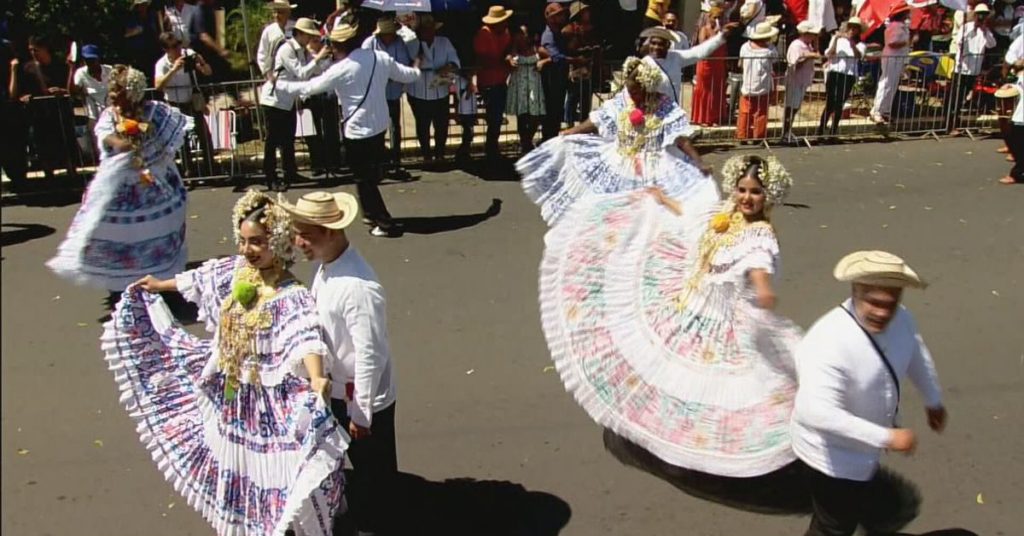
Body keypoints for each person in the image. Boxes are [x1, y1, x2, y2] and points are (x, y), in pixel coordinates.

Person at [534, 153, 801, 476]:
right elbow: (691, 217)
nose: (747, 197)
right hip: (690, 298)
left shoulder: (759, 234)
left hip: (717, 315)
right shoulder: (725, 214)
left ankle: (694, 445)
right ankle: (659, 429)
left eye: (755, 192)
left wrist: (763, 289)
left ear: (767, 197)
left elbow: (758, 263)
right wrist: (663, 201)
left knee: (708, 383)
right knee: (660, 362)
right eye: (742, 190)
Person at [121, 189, 348, 536]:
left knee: (271, 472)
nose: (247, 251)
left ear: (278, 240)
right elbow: (199, 278)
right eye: (243, 241)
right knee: (237, 470)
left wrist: (317, 377)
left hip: (265, 404)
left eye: (256, 242)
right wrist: (160, 285)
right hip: (230, 394)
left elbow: (305, 337)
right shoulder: (236, 271)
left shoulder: (291, 295)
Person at [792, 250, 946, 536]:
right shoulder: (828, 340)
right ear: (855, 292)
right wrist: (887, 436)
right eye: (874, 303)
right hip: (832, 459)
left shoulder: (902, 320)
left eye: (890, 303)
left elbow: (916, 354)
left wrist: (933, 400)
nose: (883, 313)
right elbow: (816, 413)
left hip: (863, 451)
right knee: (834, 525)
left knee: (859, 511)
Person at [283, 191, 399, 536]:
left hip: (359, 398)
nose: (298, 242)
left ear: (331, 231)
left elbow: (369, 355)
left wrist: (360, 414)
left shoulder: (357, 287)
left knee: (373, 473)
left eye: (306, 234)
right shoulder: (327, 268)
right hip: (338, 390)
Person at [517, 56, 716, 225]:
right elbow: (598, 120)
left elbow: (681, 139)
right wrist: (572, 131)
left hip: (653, 166)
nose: (632, 96)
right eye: (629, 91)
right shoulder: (622, 101)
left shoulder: (664, 105)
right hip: (621, 162)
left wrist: (698, 161)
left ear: (647, 88)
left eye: (636, 92)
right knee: (616, 214)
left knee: (653, 216)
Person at [47, 66, 190, 292]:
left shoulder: (152, 110)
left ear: (132, 93)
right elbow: (105, 136)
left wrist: (142, 130)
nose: (112, 94)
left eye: (118, 90)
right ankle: (122, 281)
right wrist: (118, 141)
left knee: (153, 230)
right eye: (112, 90)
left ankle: (157, 278)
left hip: (153, 181)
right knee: (113, 229)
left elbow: (166, 137)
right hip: (121, 183)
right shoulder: (109, 115)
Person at [277, 23, 421, 238]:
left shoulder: (342, 68)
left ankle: (384, 221)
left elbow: (310, 87)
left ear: (338, 44)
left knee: (364, 178)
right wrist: (417, 67)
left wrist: (280, 85)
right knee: (367, 175)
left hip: (358, 130)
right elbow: (408, 75)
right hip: (379, 125)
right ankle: (371, 213)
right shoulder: (380, 58)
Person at [259, 17, 327, 192]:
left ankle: (290, 172)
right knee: (272, 141)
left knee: (288, 139)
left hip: (287, 100)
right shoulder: (287, 49)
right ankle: (271, 177)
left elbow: (314, 71)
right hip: (274, 100)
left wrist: (318, 59)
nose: (310, 40)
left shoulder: (302, 51)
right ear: (300, 34)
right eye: (308, 36)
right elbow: (301, 73)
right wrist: (318, 58)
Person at [11, 35, 79, 183]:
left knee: (66, 144)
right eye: (31, 50)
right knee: (43, 146)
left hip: (59, 112)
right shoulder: (28, 68)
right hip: (40, 114)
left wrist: (61, 91)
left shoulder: (59, 65)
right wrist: (26, 96)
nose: (33, 53)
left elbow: (70, 90)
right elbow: (20, 92)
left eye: (36, 50)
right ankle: (49, 178)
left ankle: (72, 175)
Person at [154, 32, 213, 177]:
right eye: (173, 46)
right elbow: (158, 86)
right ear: (166, 49)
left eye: (178, 44)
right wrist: (173, 70)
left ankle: (211, 169)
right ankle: (189, 172)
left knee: (204, 135)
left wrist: (202, 62)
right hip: (175, 104)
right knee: (182, 140)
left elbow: (208, 72)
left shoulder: (188, 54)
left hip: (192, 102)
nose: (178, 49)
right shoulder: (162, 64)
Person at [363, 17, 414, 179]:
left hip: (393, 93)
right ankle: (379, 161)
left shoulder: (399, 43)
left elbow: (404, 64)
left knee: (394, 127)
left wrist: (392, 75)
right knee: (377, 129)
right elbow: (364, 67)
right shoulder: (369, 43)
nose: (390, 37)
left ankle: (395, 160)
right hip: (375, 94)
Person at [642, 23, 738, 105]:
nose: (656, 47)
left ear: (668, 45)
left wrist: (721, 36)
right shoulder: (643, 64)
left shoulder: (676, 57)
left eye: (660, 44)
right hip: (652, 115)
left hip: (673, 112)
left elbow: (699, 52)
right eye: (653, 43)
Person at [407, 14, 459, 164]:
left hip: (440, 89)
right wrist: (416, 61)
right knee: (422, 125)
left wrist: (448, 67)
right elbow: (405, 65)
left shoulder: (444, 42)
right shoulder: (412, 44)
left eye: (430, 30)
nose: (428, 33)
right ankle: (426, 155)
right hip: (418, 91)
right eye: (424, 30)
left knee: (441, 124)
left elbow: (455, 61)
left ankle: (440, 154)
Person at [946, 4, 995, 135]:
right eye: (980, 14)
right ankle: (950, 125)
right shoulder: (966, 28)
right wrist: (971, 29)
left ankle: (957, 123)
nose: (982, 17)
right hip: (962, 68)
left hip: (974, 69)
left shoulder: (985, 31)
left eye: (984, 15)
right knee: (956, 97)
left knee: (965, 98)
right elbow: (959, 42)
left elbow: (992, 44)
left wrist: (984, 31)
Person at [473, 5, 514, 160]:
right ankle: (491, 149)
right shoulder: (483, 34)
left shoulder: (505, 33)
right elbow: (483, 59)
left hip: (501, 80)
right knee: (494, 116)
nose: (506, 24)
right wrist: (503, 61)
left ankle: (492, 147)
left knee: (497, 117)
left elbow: (509, 49)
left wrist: (509, 56)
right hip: (488, 81)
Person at [819, 17, 866, 137]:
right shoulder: (838, 40)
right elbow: (829, 53)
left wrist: (852, 44)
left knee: (839, 102)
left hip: (848, 74)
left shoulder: (860, 44)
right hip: (835, 71)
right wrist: (835, 39)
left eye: (855, 28)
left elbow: (859, 56)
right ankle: (821, 128)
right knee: (830, 102)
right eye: (850, 27)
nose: (851, 30)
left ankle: (833, 130)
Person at [506, 24, 549, 153]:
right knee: (522, 115)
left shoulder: (536, 48)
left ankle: (527, 139)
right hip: (519, 84)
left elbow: (551, 57)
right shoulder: (513, 48)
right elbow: (507, 56)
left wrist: (543, 62)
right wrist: (509, 60)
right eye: (519, 33)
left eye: (523, 33)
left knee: (535, 115)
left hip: (534, 83)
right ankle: (525, 143)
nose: (521, 36)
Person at [67, 44, 113, 163]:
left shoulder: (110, 70)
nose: (91, 63)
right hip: (95, 117)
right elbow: (72, 91)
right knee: (100, 150)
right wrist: (71, 69)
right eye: (87, 60)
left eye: (93, 59)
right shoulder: (80, 73)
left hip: (113, 115)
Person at [541, 2, 579, 141]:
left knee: (556, 113)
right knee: (551, 113)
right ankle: (548, 141)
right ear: (550, 18)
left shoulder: (559, 33)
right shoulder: (548, 36)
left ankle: (552, 139)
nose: (562, 17)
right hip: (551, 80)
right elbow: (556, 57)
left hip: (559, 79)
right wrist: (575, 60)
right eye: (558, 15)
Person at [737, 22, 779, 141]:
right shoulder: (770, 50)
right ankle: (758, 137)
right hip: (763, 85)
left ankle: (742, 135)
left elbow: (740, 63)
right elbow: (775, 63)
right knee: (760, 112)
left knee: (745, 112)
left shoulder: (745, 47)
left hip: (747, 84)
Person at [870, 4, 911, 125]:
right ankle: (877, 110)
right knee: (887, 83)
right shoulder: (894, 26)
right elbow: (891, 43)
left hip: (898, 58)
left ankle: (885, 111)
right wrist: (906, 42)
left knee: (892, 85)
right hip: (891, 57)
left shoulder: (903, 27)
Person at [691, 2, 730, 126]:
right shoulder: (705, 29)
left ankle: (715, 117)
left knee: (717, 90)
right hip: (706, 64)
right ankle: (703, 117)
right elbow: (703, 45)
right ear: (710, 17)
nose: (717, 20)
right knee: (705, 90)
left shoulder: (723, 31)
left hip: (718, 64)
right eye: (715, 17)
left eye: (719, 17)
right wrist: (715, 34)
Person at [782, 21, 821, 144]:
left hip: (802, 81)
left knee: (795, 107)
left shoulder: (807, 45)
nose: (815, 37)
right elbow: (795, 65)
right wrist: (808, 56)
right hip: (795, 80)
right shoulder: (796, 45)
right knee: (790, 107)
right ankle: (785, 133)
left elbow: (816, 53)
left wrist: (814, 46)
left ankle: (788, 131)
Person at [1000, 32, 1024, 185]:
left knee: (1016, 139)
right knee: (1014, 138)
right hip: (1020, 114)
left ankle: (1016, 173)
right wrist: (1012, 85)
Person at [123, 0, 163, 81]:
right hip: (139, 52)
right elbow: (126, 34)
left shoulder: (152, 15)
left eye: (145, 4)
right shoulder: (132, 17)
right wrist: (136, 31)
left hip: (154, 49)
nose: (143, 6)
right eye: (141, 5)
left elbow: (159, 31)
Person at [257, 0, 295, 80]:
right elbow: (262, 54)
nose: (276, 15)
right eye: (275, 12)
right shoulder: (269, 31)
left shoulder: (295, 28)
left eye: (280, 12)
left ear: (288, 13)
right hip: (274, 76)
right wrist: (267, 73)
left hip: (294, 74)